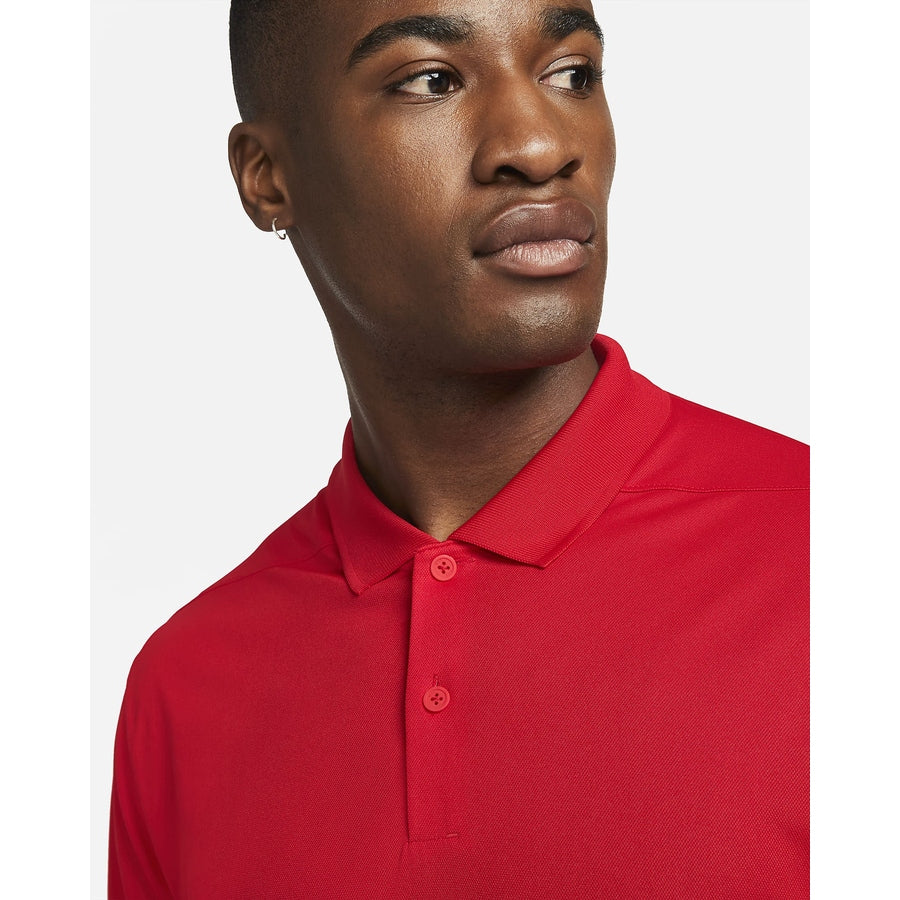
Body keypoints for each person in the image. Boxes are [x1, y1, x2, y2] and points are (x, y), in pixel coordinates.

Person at [108, 0, 809, 897]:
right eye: (431, 81)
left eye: (573, 74)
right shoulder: (186, 690)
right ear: (267, 176)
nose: (541, 144)